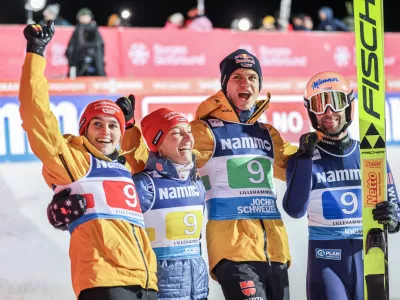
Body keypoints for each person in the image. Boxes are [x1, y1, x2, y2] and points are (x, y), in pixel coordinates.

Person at [20, 21, 157, 299]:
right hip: (103, 280)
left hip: (146, 280)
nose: (105, 132)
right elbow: (37, 115)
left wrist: (131, 128)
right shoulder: (75, 162)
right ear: (84, 130)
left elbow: (149, 168)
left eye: (112, 126)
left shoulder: (125, 166)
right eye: (97, 124)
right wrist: (36, 53)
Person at [282, 71, 400, 300]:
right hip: (326, 265)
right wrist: (305, 159)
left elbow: (396, 221)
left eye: (335, 102)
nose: (328, 112)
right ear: (310, 111)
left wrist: (392, 216)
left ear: (348, 106)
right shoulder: (304, 157)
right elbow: (295, 210)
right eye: (319, 104)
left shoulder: (371, 154)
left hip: (368, 258)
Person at [190, 49, 298, 300]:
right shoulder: (205, 130)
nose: (245, 83)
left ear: (259, 85)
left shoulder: (267, 133)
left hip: (275, 250)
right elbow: (167, 153)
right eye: (237, 77)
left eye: (252, 77)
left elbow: (298, 166)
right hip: (233, 251)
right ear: (225, 85)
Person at [131, 108, 209, 299]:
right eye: (176, 132)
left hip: (198, 288)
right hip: (159, 289)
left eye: (188, 131)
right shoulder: (143, 184)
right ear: (158, 145)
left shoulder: (198, 180)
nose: (187, 138)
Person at [65, 8, 106, 77]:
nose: (84, 18)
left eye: (86, 16)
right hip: (79, 62)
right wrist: (72, 62)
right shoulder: (77, 31)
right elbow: (71, 48)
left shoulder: (95, 29)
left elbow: (100, 46)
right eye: (82, 16)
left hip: (94, 62)